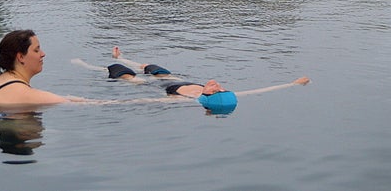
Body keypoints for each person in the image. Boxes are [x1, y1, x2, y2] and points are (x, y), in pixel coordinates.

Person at [73, 46, 311, 114]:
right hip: (173, 79)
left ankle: (88, 65)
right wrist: (293, 83)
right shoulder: (212, 93)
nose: (216, 83)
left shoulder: (187, 101)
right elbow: (260, 91)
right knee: (154, 67)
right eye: (219, 86)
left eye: (214, 88)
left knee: (124, 74)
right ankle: (123, 54)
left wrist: (91, 103)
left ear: (208, 95)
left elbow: (141, 102)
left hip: (157, 88)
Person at [0, 29, 92, 111]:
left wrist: (80, 99)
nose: (43, 54)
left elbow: (60, 99)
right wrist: (107, 103)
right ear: (20, 57)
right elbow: (66, 103)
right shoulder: (25, 93)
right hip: (21, 137)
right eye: (36, 50)